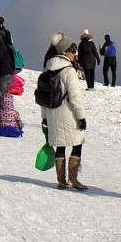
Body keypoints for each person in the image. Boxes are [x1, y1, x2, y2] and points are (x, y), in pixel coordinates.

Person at [39, 35, 89, 190]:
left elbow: (43, 95)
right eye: (72, 50)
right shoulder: (69, 70)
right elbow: (75, 96)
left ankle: (61, 180)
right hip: (68, 114)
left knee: (60, 146)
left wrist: (45, 117)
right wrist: (81, 117)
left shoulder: (48, 68)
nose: (75, 54)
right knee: (77, 144)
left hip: (53, 113)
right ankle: (73, 179)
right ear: (64, 51)